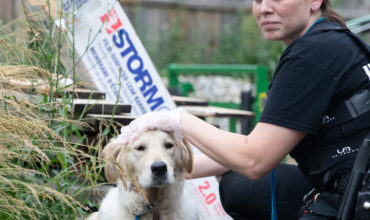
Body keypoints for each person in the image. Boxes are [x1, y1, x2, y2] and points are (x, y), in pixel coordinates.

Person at [117, 0, 370, 219]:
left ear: (315, 1)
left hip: (357, 199)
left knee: (246, 177)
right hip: (349, 182)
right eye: (258, 0)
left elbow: (254, 160)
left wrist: (177, 120)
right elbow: (257, 147)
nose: (265, 9)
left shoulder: (311, 54)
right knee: (240, 187)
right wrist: (159, 167)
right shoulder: (334, 38)